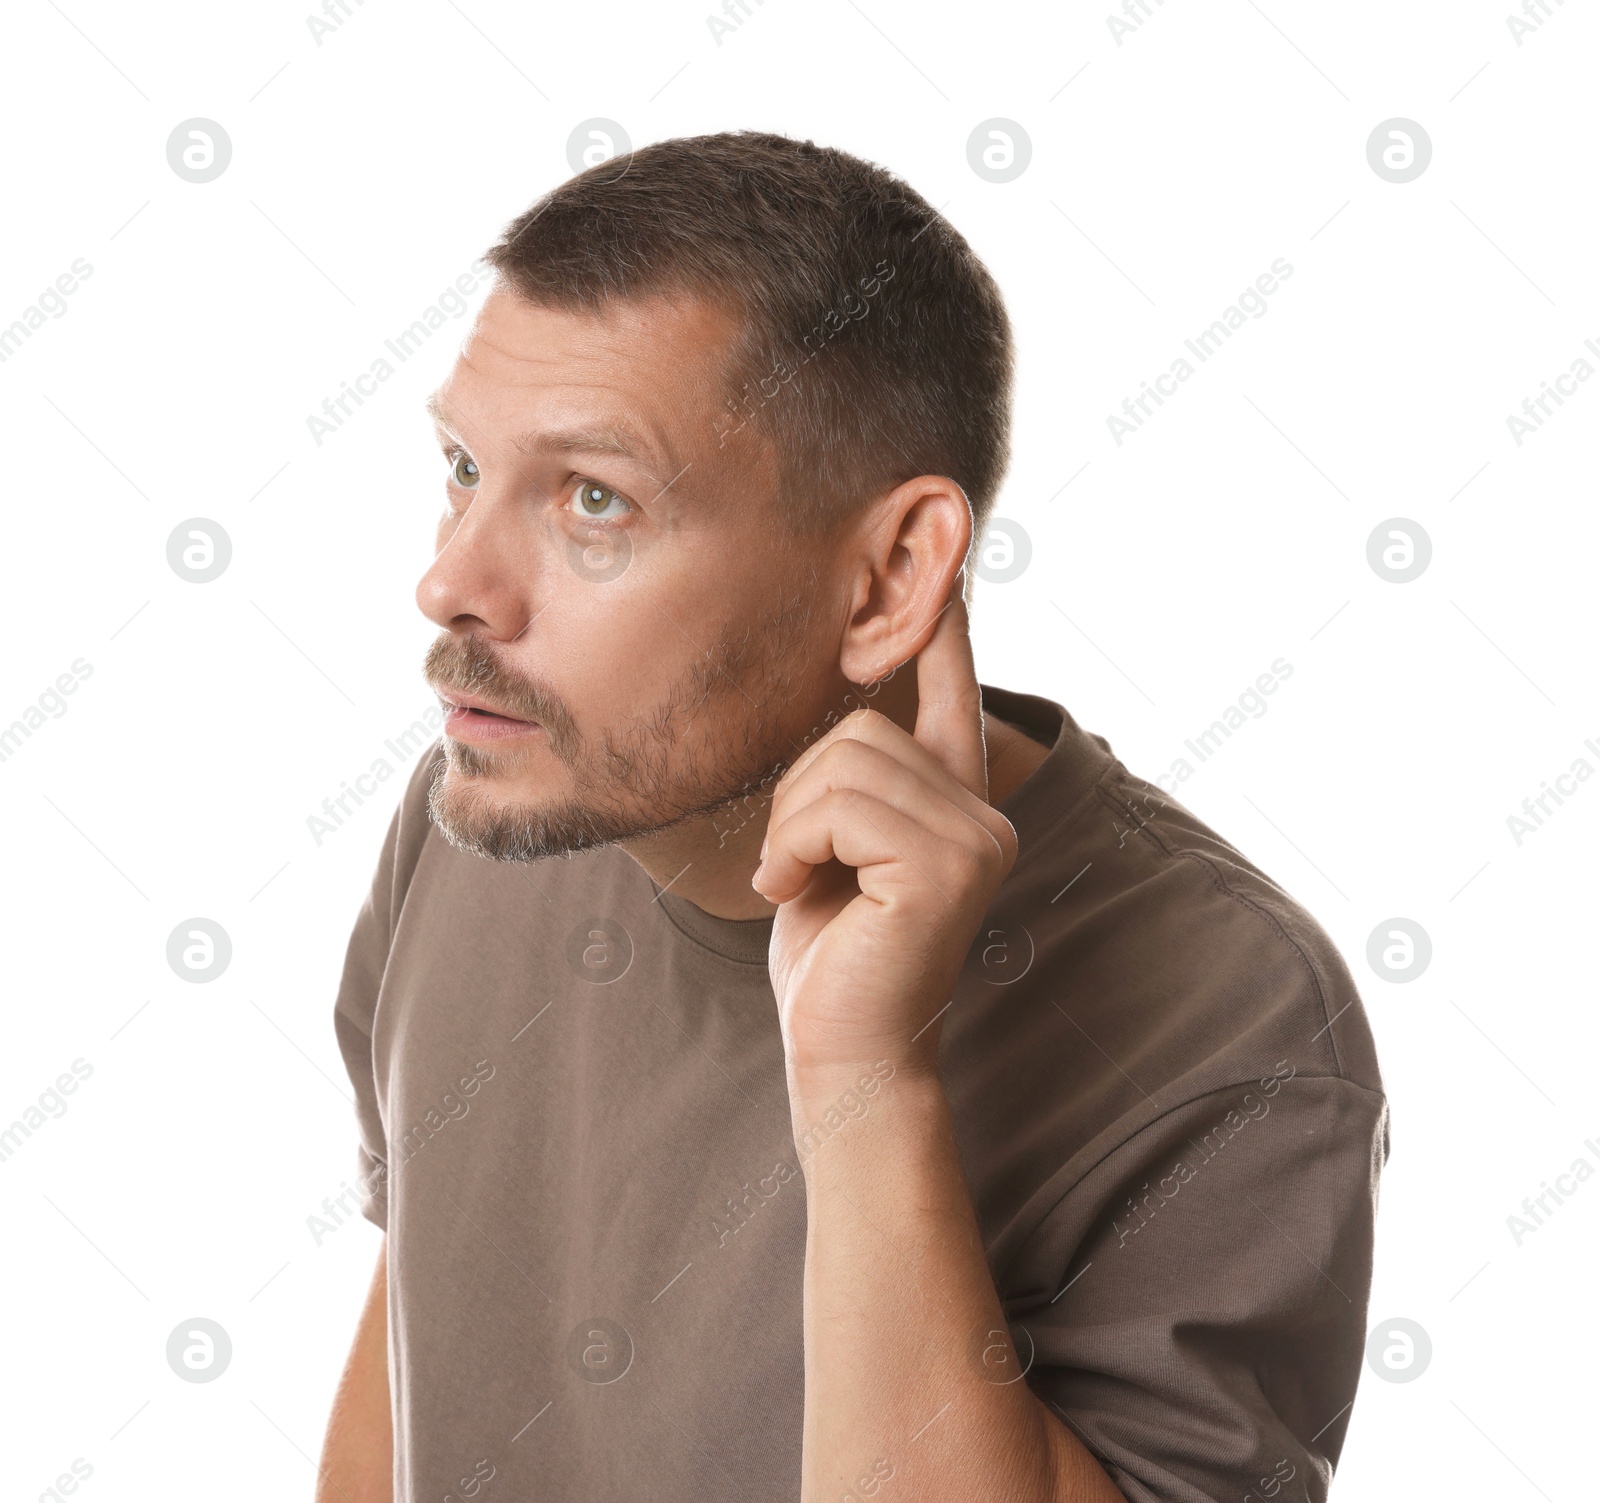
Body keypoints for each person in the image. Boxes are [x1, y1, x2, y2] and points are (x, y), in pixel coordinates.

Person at [317, 130, 1387, 1503]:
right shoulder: (497, 807)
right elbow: (404, 1384)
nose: (451, 584)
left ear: (888, 580)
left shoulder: (1236, 1024)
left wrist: (866, 1079)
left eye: (594, 501)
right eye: (465, 470)